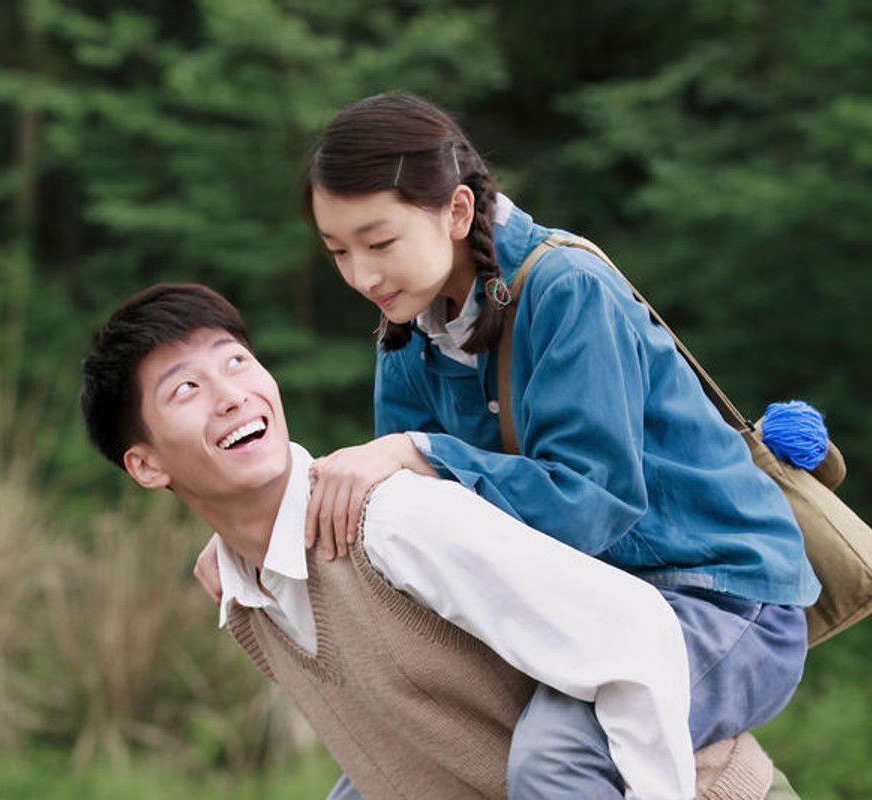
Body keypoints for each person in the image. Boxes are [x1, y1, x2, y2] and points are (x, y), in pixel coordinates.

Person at [273, 92, 818, 798]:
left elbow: (591, 503)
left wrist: (421, 454)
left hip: (720, 600)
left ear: (458, 211)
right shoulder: (405, 330)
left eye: (380, 243)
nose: (363, 276)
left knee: (556, 759)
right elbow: (421, 538)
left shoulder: (569, 291)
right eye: (338, 252)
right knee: (376, 779)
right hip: (572, 610)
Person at [79, 284, 797, 800]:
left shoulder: (393, 521)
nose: (231, 393)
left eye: (235, 361)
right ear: (145, 465)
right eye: (186, 389)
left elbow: (638, 629)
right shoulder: (247, 598)